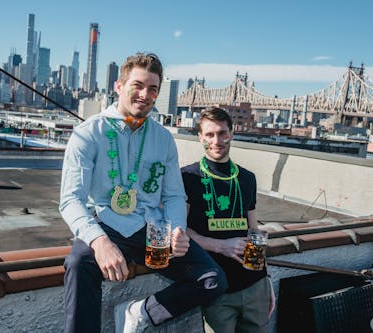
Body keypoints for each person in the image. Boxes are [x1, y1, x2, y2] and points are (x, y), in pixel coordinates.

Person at [59, 53, 227, 333]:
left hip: (154, 231)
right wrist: (99, 242)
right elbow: (70, 200)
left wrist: (177, 231)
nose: (144, 94)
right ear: (119, 86)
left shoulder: (163, 139)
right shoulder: (88, 134)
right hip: (108, 224)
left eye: (153, 89)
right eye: (137, 85)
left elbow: (174, 196)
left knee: (212, 279)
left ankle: (142, 313)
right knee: (78, 263)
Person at [181, 107, 274, 333]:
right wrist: (220, 246)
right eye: (210, 135)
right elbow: (181, 231)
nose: (217, 140)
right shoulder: (187, 177)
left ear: (232, 133)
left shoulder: (247, 178)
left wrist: (267, 279)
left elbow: (254, 231)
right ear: (200, 137)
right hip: (216, 290)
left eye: (222, 133)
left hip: (255, 287)